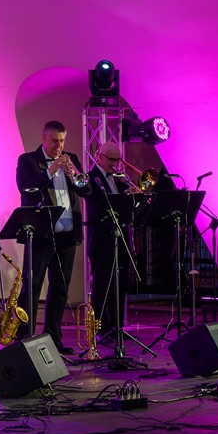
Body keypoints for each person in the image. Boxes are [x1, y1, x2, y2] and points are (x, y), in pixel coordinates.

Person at [14, 120, 91, 354]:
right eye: (55, 141)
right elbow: (26, 188)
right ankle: (24, 337)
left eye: (62, 141)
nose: (59, 146)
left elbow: (86, 190)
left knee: (60, 288)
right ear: (44, 138)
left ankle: (53, 338)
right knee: (32, 285)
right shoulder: (28, 160)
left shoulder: (71, 159)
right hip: (41, 235)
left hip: (67, 235)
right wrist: (51, 170)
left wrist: (74, 174)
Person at [85, 141, 137, 340]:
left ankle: (116, 327)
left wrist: (133, 196)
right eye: (111, 159)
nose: (115, 164)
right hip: (102, 238)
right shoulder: (90, 178)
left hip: (120, 237)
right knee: (102, 285)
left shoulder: (119, 178)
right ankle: (98, 329)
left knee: (120, 284)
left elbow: (126, 209)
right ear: (99, 156)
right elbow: (96, 206)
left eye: (117, 160)